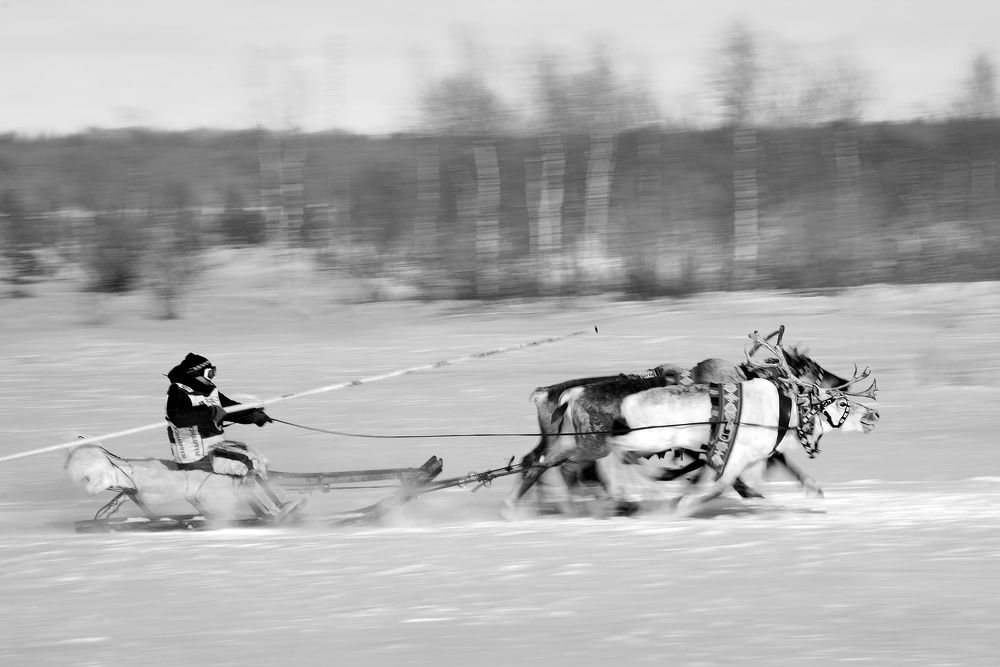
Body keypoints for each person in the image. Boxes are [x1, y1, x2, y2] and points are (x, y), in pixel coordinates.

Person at [164, 353, 297, 518]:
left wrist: (253, 415)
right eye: (208, 373)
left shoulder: (208, 391)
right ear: (195, 374)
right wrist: (210, 412)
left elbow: (229, 408)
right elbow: (178, 417)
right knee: (247, 463)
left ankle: (282, 503)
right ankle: (271, 513)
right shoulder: (178, 393)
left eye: (213, 373)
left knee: (254, 454)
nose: (211, 378)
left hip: (213, 447)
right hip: (195, 456)